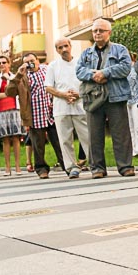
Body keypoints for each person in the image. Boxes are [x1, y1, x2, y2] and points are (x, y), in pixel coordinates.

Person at [76, 19, 135, 178]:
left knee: (121, 134)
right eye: (95, 31)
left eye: (101, 30)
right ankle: (97, 169)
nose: (97, 33)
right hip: (93, 98)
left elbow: (126, 68)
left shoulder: (120, 50)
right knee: (94, 135)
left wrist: (106, 73)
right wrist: (94, 75)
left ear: (109, 32)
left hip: (116, 97)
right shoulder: (86, 53)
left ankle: (125, 167)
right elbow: (79, 71)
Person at [6, 53, 64, 179]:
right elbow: (9, 92)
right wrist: (18, 75)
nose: (30, 64)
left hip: (52, 112)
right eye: (27, 62)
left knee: (59, 141)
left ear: (38, 60)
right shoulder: (22, 76)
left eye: (32, 60)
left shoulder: (47, 69)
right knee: (38, 145)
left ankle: (68, 166)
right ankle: (41, 169)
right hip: (35, 115)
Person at [46, 38, 91, 179]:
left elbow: (88, 83)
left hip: (80, 106)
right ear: (57, 50)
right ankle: (71, 167)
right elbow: (48, 87)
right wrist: (63, 95)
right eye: (60, 47)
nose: (64, 49)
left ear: (70, 46)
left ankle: (95, 164)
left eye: (66, 46)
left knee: (87, 137)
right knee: (65, 140)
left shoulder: (80, 63)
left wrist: (78, 94)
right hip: (61, 107)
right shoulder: (53, 66)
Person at [0, 55, 25, 176]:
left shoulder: (15, 77)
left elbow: (18, 93)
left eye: (4, 62)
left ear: (9, 64)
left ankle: (18, 167)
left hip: (15, 109)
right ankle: (7, 167)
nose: (2, 65)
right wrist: (8, 94)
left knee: (16, 138)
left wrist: (6, 92)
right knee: (5, 139)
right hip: (1, 111)